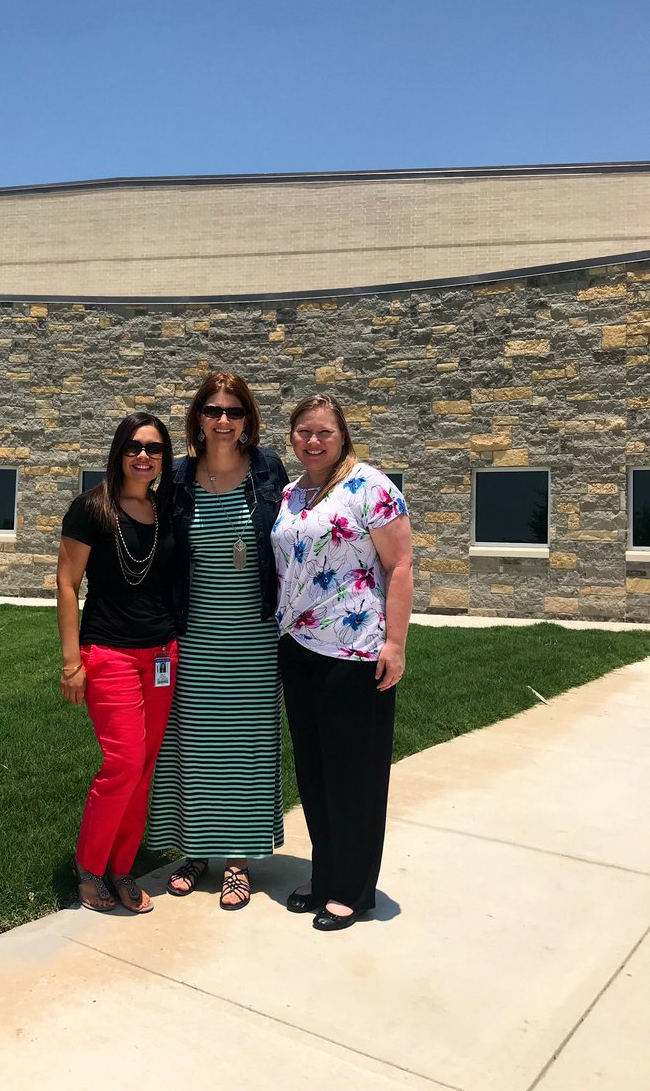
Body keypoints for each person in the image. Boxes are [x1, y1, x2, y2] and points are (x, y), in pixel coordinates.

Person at [272, 392, 413, 932]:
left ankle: (354, 890)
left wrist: (395, 644)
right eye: (304, 432)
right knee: (314, 768)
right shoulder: (291, 493)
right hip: (299, 647)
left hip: (355, 649)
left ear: (342, 436)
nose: (313, 440)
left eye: (323, 432)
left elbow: (400, 565)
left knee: (354, 771)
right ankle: (326, 873)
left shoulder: (370, 487)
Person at [147, 373, 288, 910]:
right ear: (198, 419)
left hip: (254, 636)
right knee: (195, 747)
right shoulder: (178, 477)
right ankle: (194, 852)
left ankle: (237, 860)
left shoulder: (268, 469)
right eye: (213, 410)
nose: (223, 421)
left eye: (233, 411)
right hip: (196, 634)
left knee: (246, 750)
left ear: (248, 419)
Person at [56, 411, 177, 914]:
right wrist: (70, 663)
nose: (143, 456)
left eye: (153, 448)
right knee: (122, 762)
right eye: (133, 446)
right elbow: (66, 583)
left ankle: (122, 866)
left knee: (143, 769)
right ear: (118, 452)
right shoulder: (90, 509)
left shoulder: (167, 508)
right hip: (108, 652)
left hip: (162, 654)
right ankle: (89, 866)